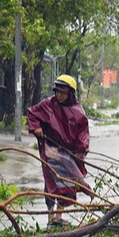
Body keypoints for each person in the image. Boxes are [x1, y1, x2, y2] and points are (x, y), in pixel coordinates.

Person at [27, 74, 91, 226]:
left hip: (68, 154)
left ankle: (58, 216)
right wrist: (36, 128)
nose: (60, 95)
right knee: (50, 182)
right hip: (50, 151)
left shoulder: (78, 113)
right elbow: (32, 114)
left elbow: (83, 135)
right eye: (58, 92)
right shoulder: (48, 104)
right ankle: (50, 217)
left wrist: (79, 152)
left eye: (63, 92)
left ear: (71, 93)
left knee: (67, 183)